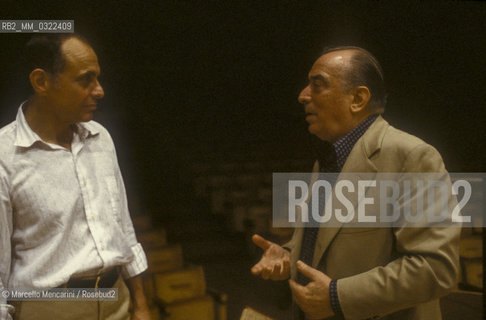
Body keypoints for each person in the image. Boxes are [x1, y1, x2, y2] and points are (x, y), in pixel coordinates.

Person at [251, 46, 461, 319]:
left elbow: (435, 269)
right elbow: (328, 244)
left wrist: (338, 297)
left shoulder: (412, 156)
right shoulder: (326, 160)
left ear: (358, 98)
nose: (302, 96)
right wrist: (289, 254)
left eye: (317, 85)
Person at [0, 34, 151, 320]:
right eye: (86, 80)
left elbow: (123, 228)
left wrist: (141, 305)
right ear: (41, 82)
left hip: (117, 303)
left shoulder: (101, 137)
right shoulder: (4, 156)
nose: (99, 91)